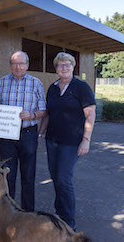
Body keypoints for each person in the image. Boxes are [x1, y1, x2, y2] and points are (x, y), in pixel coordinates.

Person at [39, 52, 96, 230]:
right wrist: (40, 134)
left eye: (67, 64)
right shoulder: (53, 88)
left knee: (64, 178)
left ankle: (69, 222)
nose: (63, 68)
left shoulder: (81, 87)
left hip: (72, 141)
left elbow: (90, 114)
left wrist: (86, 140)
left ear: (73, 66)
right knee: (56, 178)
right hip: (52, 140)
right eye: (60, 65)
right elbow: (49, 113)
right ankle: (60, 213)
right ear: (56, 68)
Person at [0, 51, 47, 211]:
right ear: (10, 65)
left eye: (21, 63)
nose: (18, 67)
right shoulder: (1, 82)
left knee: (28, 176)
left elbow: (44, 110)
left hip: (28, 134)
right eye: (14, 63)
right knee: (7, 176)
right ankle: (7, 213)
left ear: (27, 65)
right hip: (6, 136)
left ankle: (27, 213)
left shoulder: (36, 83)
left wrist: (31, 115)